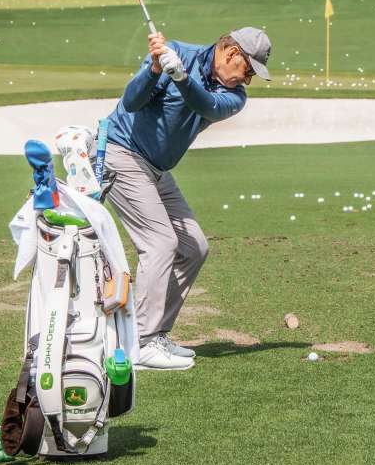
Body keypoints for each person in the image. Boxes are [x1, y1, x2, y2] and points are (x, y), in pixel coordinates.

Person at [104, 27, 272, 370]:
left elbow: (204, 103)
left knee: (194, 247)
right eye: (248, 69)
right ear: (230, 53)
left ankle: (156, 334)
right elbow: (131, 102)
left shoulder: (234, 97)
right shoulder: (174, 52)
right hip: (121, 154)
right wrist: (154, 69)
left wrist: (179, 76)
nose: (248, 79)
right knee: (161, 243)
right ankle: (140, 343)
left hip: (158, 169)